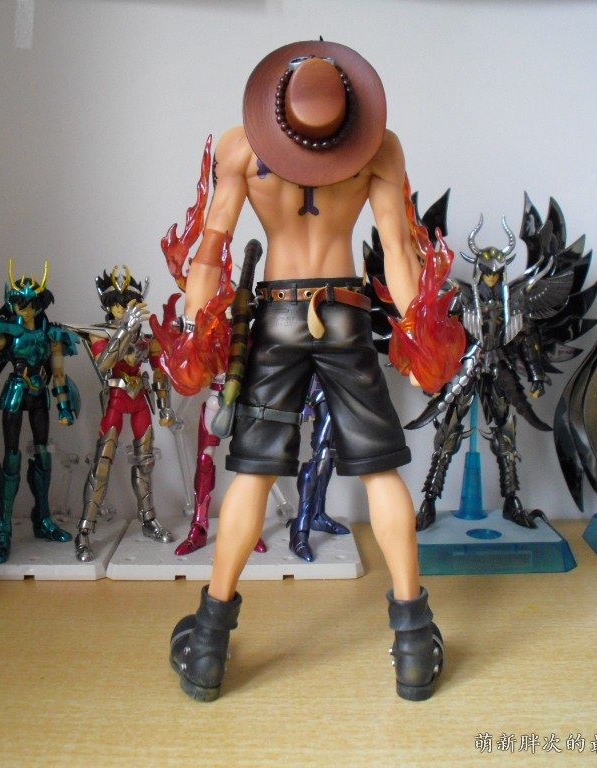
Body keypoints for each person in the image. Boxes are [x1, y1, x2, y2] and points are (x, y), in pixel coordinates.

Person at [163, 41, 460, 702]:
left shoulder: (241, 147)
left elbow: (210, 253)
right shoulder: (379, 147)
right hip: (346, 314)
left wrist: (193, 331)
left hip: (277, 318)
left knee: (254, 471)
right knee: (381, 471)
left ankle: (209, 643)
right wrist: (421, 339)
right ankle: (414, 643)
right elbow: (398, 253)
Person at [0, 262, 78, 564]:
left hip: (39, 396)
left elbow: (58, 374)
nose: (26, 309)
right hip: (15, 394)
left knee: (43, 454)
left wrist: (64, 405)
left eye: (32, 303)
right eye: (20, 302)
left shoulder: (51, 334)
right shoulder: (5, 332)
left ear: (41, 304)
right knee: (11, 457)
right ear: (12, 303)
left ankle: (42, 518)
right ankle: (4, 528)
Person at [74, 267, 175, 561]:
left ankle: (148, 519)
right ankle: (84, 529)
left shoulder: (147, 337)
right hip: (116, 399)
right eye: (117, 304)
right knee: (102, 464)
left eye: (128, 303)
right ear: (109, 306)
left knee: (145, 462)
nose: (122, 308)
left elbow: (160, 373)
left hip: (139, 399)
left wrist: (165, 407)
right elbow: (104, 363)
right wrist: (125, 330)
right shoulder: (101, 333)